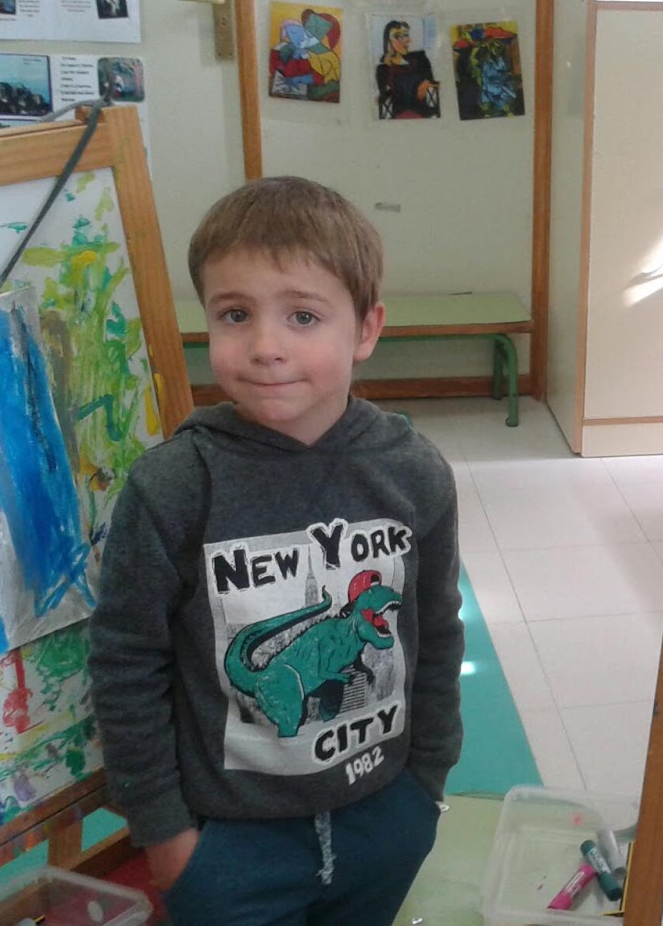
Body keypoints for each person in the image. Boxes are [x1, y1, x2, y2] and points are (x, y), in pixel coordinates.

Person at [89, 176, 464, 926]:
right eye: (235, 314)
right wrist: (167, 837)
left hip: (384, 817)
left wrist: (426, 783)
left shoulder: (414, 471)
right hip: (231, 846)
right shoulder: (173, 486)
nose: (265, 347)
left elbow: (436, 632)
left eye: (303, 316)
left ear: (365, 329)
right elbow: (127, 664)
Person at [375, 20, 439, 119]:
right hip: (400, 114)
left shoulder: (419, 58)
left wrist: (426, 81)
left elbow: (431, 79)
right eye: (397, 36)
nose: (406, 40)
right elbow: (383, 95)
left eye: (406, 35)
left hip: (423, 112)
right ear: (389, 42)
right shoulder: (383, 69)